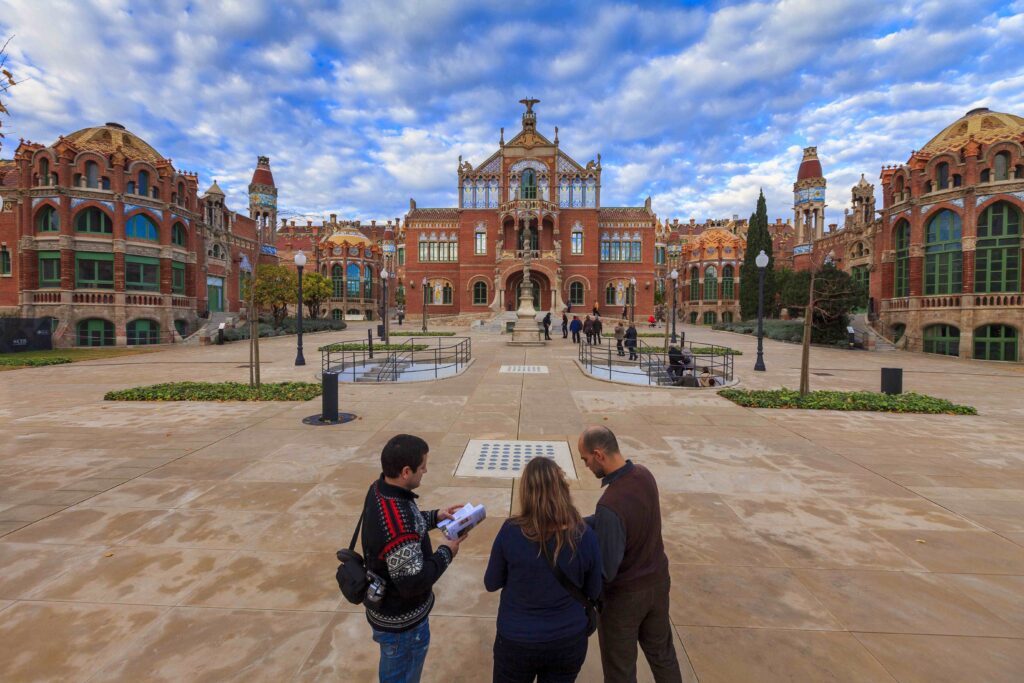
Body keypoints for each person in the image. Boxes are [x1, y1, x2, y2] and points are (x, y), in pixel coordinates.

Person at [577, 426, 682, 683]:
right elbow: (626, 518)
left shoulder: (610, 503)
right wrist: (578, 522)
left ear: (599, 454)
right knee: (663, 656)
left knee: (620, 670)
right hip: (658, 585)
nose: (587, 466)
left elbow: (607, 570)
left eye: (586, 459)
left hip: (625, 600)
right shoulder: (644, 476)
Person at [485, 457, 602, 683]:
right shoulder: (584, 535)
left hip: (516, 640)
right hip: (568, 639)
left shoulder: (510, 531)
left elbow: (491, 582)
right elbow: (594, 589)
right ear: (562, 488)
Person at [361, 434, 467, 683]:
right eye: (422, 467)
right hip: (402, 627)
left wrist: (436, 516)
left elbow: (405, 521)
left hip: (388, 614)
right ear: (406, 471)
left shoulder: (380, 490)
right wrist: (446, 551)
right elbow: (413, 582)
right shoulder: (398, 523)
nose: (426, 470)